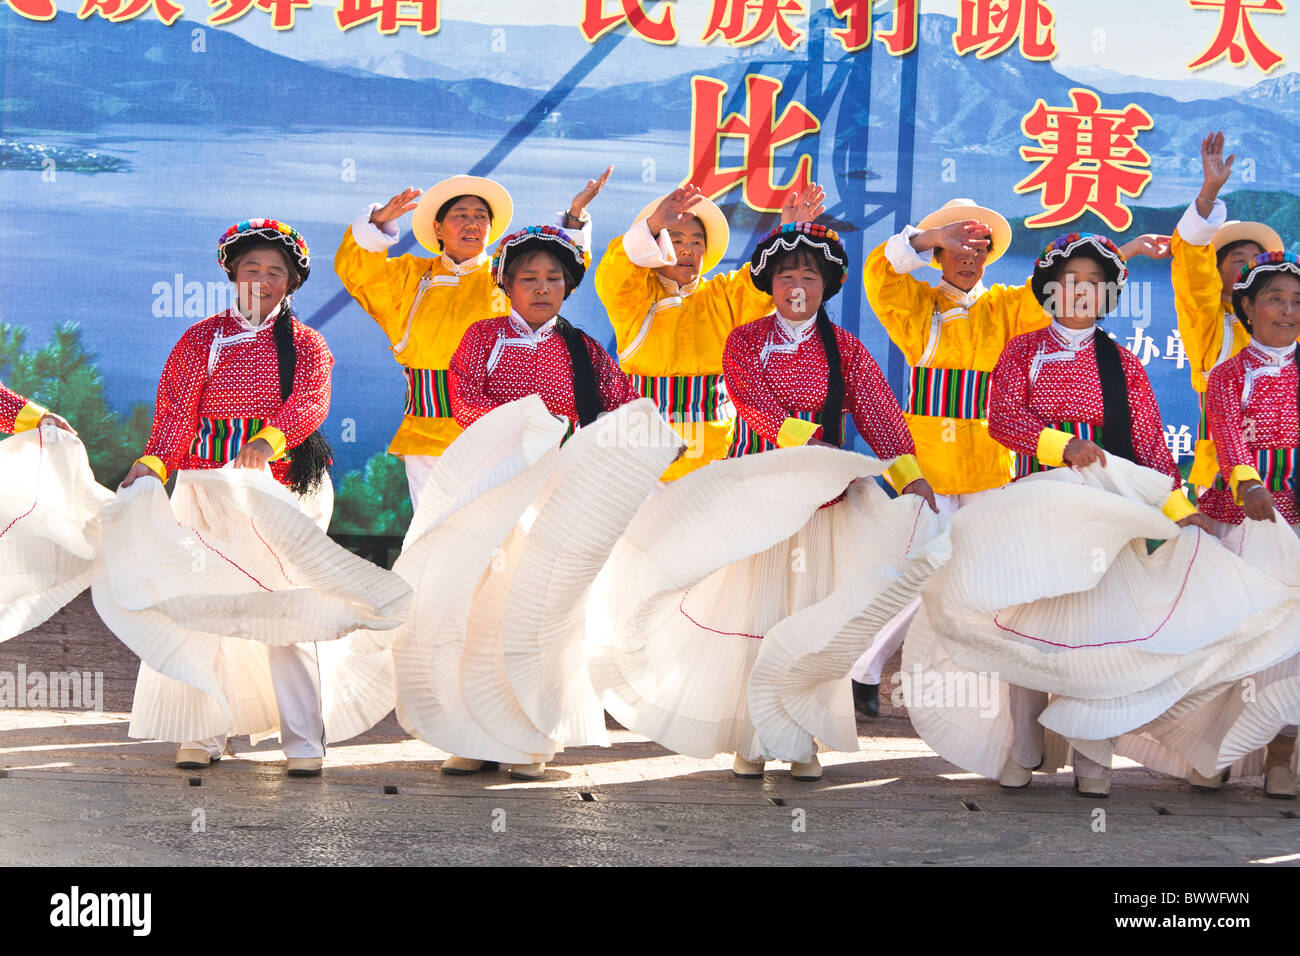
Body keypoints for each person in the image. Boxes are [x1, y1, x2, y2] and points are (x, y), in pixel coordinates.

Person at [589, 222, 946, 782]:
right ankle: (751, 738)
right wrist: (814, 445)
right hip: (757, 502)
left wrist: (909, 476)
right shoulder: (746, 341)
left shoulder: (846, 350)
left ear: (826, 284)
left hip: (823, 510)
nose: (797, 284)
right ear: (771, 284)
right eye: (786, 274)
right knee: (757, 616)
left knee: (811, 619)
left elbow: (879, 413)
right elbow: (754, 408)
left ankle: (802, 737)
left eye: (809, 274)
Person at [104, 219, 407, 777]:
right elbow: (175, 414)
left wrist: (267, 443)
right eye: (251, 269)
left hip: (279, 489)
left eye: (275, 271)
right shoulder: (200, 338)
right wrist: (153, 462)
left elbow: (310, 404)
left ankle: (303, 742)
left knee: (285, 606)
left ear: (290, 282)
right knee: (200, 606)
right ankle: (200, 730)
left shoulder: (306, 344)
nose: (262, 280)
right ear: (231, 274)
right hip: (203, 486)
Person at [848, 199, 1164, 717]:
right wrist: (930, 237)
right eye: (956, 246)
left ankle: (991, 703)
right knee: (920, 574)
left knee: (997, 583)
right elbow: (880, 270)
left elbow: (1064, 286)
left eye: (979, 247)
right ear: (938, 254)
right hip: (931, 465)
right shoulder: (915, 303)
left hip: (996, 466)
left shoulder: (1005, 306)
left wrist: (1124, 250)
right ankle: (864, 668)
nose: (968, 256)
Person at [393, 224, 679, 782]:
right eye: (529, 278)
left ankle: (528, 741)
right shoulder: (482, 338)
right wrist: (525, 438)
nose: (542, 287)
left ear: (569, 286)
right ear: (505, 284)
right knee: (475, 604)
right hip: (492, 485)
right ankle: (467, 734)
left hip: (559, 495)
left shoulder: (584, 349)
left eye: (553, 278)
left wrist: (640, 443)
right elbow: (467, 397)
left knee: (542, 608)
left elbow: (621, 410)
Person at [984, 232, 1207, 796]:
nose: (1081, 292)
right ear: (1048, 290)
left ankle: (1093, 758)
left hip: (1106, 513)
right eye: (1070, 282)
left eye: (1093, 283)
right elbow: (1004, 421)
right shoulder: (1022, 352)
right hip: (1040, 504)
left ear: (1107, 296)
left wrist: (1177, 507)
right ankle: (1023, 745)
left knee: (1098, 634)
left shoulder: (1122, 363)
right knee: (1031, 630)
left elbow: (1151, 444)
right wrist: (1061, 447)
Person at [335, 168, 610, 510]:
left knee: (506, 540)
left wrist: (574, 217)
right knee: (436, 541)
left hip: (504, 435)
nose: (472, 223)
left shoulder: (508, 276)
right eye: (460, 215)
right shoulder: (409, 279)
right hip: (430, 435)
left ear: (490, 228)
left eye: (481, 216)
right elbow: (357, 270)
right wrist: (377, 222)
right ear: (438, 228)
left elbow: (563, 270)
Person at [593, 181, 822, 480]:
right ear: (657, 244)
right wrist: (651, 225)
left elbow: (761, 282)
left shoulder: (723, 296)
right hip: (643, 460)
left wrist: (787, 233)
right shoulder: (635, 298)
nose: (688, 248)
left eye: (697, 241)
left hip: (714, 456)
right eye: (676, 239)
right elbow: (614, 274)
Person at [1172, 132, 1287, 493]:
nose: (1245, 268)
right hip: (1223, 470)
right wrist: (1209, 192)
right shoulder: (1208, 320)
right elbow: (1191, 260)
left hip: (1287, 468)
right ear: (1216, 270)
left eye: (1253, 262)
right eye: (1237, 260)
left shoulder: (1285, 322)